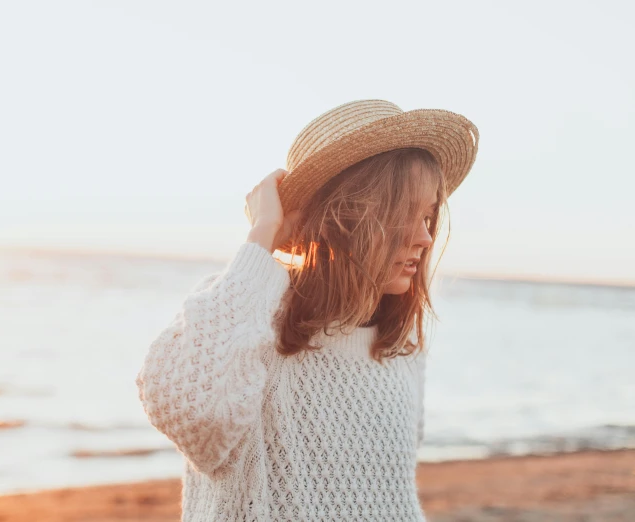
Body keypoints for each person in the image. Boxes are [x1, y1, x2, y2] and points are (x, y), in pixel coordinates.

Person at [136, 99, 480, 521]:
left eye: (429, 217)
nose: (425, 238)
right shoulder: (248, 309)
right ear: (343, 216)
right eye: (404, 215)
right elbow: (195, 416)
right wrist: (264, 234)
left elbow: (393, 500)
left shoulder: (400, 345)